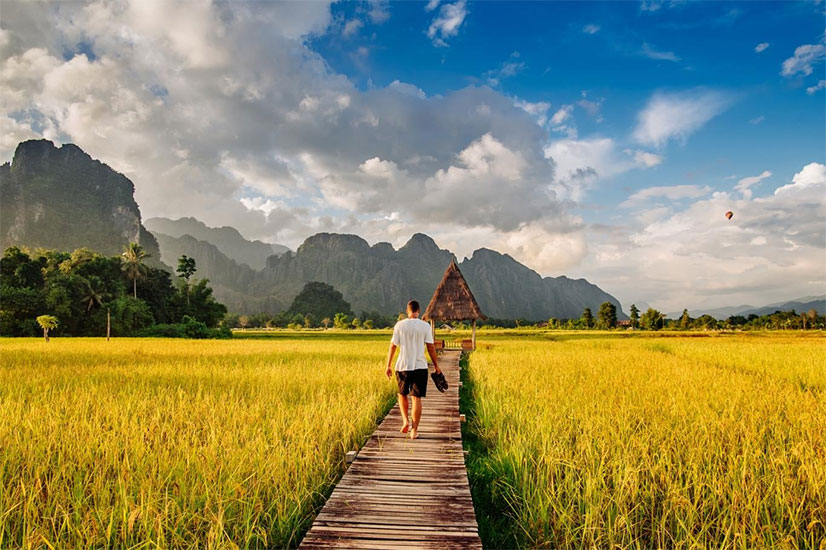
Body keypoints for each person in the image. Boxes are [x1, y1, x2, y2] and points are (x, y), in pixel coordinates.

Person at [385, 300, 442, 439]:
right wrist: (436, 365)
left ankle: (405, 420)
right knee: (416, 398)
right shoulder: (425, 326)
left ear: (407, 310)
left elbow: (393, 346)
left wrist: (388, 365)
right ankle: (414, 430)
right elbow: (430, 347)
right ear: (419, 310)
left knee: (402, 394)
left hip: (402, 365)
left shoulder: (399, 325)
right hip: (420, 366)